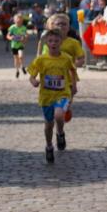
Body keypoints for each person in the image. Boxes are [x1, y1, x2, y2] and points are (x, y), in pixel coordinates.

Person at [26, 28, 75, 160]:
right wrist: (34, 81)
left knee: (58, 115)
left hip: (62, 93)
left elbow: (72, 71)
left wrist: (73, 86)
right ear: (46, 43)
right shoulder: (41, 60)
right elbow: (31, 75)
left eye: (56, 41)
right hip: (46, 96)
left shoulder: (66, 58)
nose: (53, 43)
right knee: (48, 124)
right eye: (50, 41)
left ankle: (60, 133)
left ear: (61, 42)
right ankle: (49, 146)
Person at [7, 12, 28, 77]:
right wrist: (11, 38)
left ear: (22, 21)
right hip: (14, 45)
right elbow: (8, 36)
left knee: (20, 56)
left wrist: (24, 38)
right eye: (17, 21)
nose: (19, 22)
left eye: (20, 21)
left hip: (20, 45)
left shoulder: (23, 28)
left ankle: (22, 66)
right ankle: (17, 70)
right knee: (16, 59)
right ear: (14, 21)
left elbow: (26, 35)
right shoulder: (12, 27)